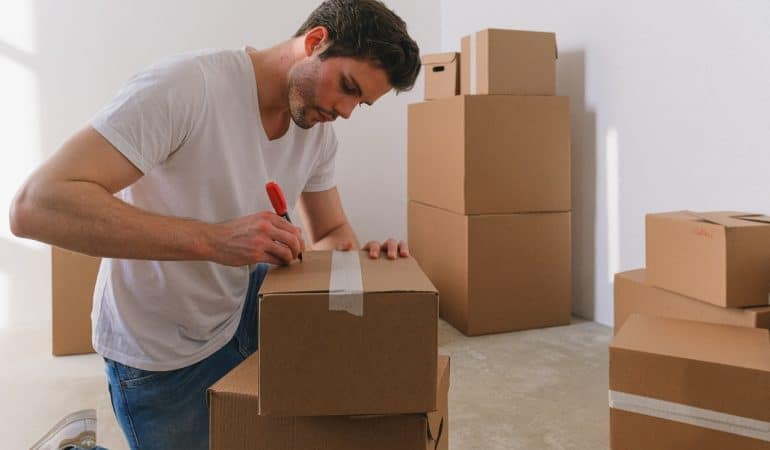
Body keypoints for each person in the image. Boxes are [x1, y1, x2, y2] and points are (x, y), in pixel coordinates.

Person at [13, 0, 421, 448]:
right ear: (315, 42)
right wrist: (213, 240)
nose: (345, 111)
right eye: (347, 87)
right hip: (159, 348)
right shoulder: (186, 87)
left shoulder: (317, 130)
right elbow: (35, 205)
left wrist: (365, 265)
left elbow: (330, 234)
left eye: (360, 103)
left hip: (241, 311)